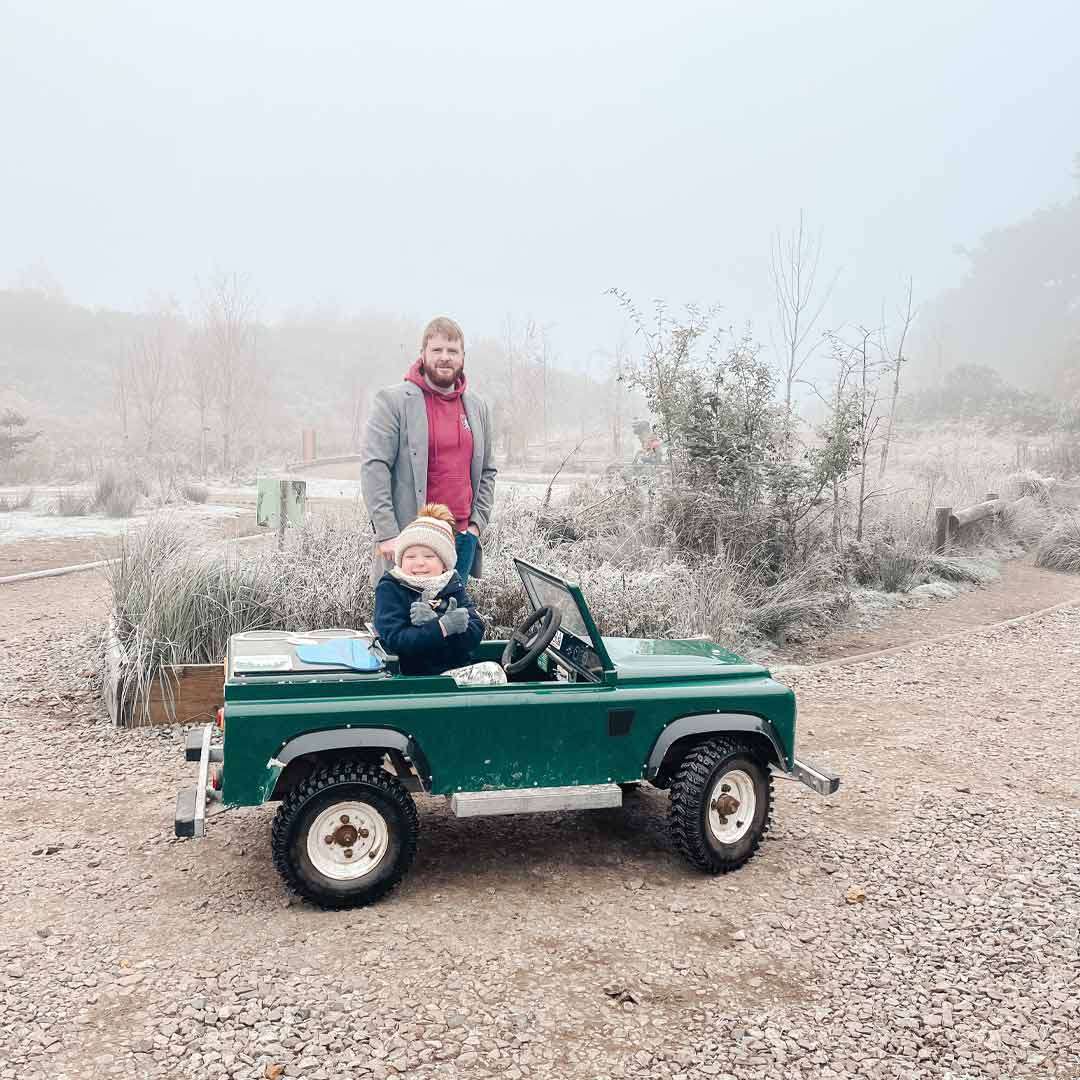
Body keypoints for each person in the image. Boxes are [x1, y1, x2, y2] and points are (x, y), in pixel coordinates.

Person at [361, 316, 496, 586]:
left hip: (460, 541)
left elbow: (488, 470)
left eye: (452, 351)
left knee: (454, 623)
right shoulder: (394, 401)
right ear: (423, 354)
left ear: (463, 356)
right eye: (437, 350)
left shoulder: (477, 406)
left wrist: (476, 525)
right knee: (404, 623)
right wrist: (387, 533)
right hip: (412, 542)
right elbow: (374, 468)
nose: (444, 357)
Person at [373, 504, 506, 686]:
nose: (419, 563)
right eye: (410, 557)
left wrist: (440, 618)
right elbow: (396, 640)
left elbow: (475, 632)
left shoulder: (451, 583)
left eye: (429, 556)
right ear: (400, 560)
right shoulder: (391, 587)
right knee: (494, 673)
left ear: (444, 563)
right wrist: (441, 627)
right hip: (413, 680)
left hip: (452, 673)